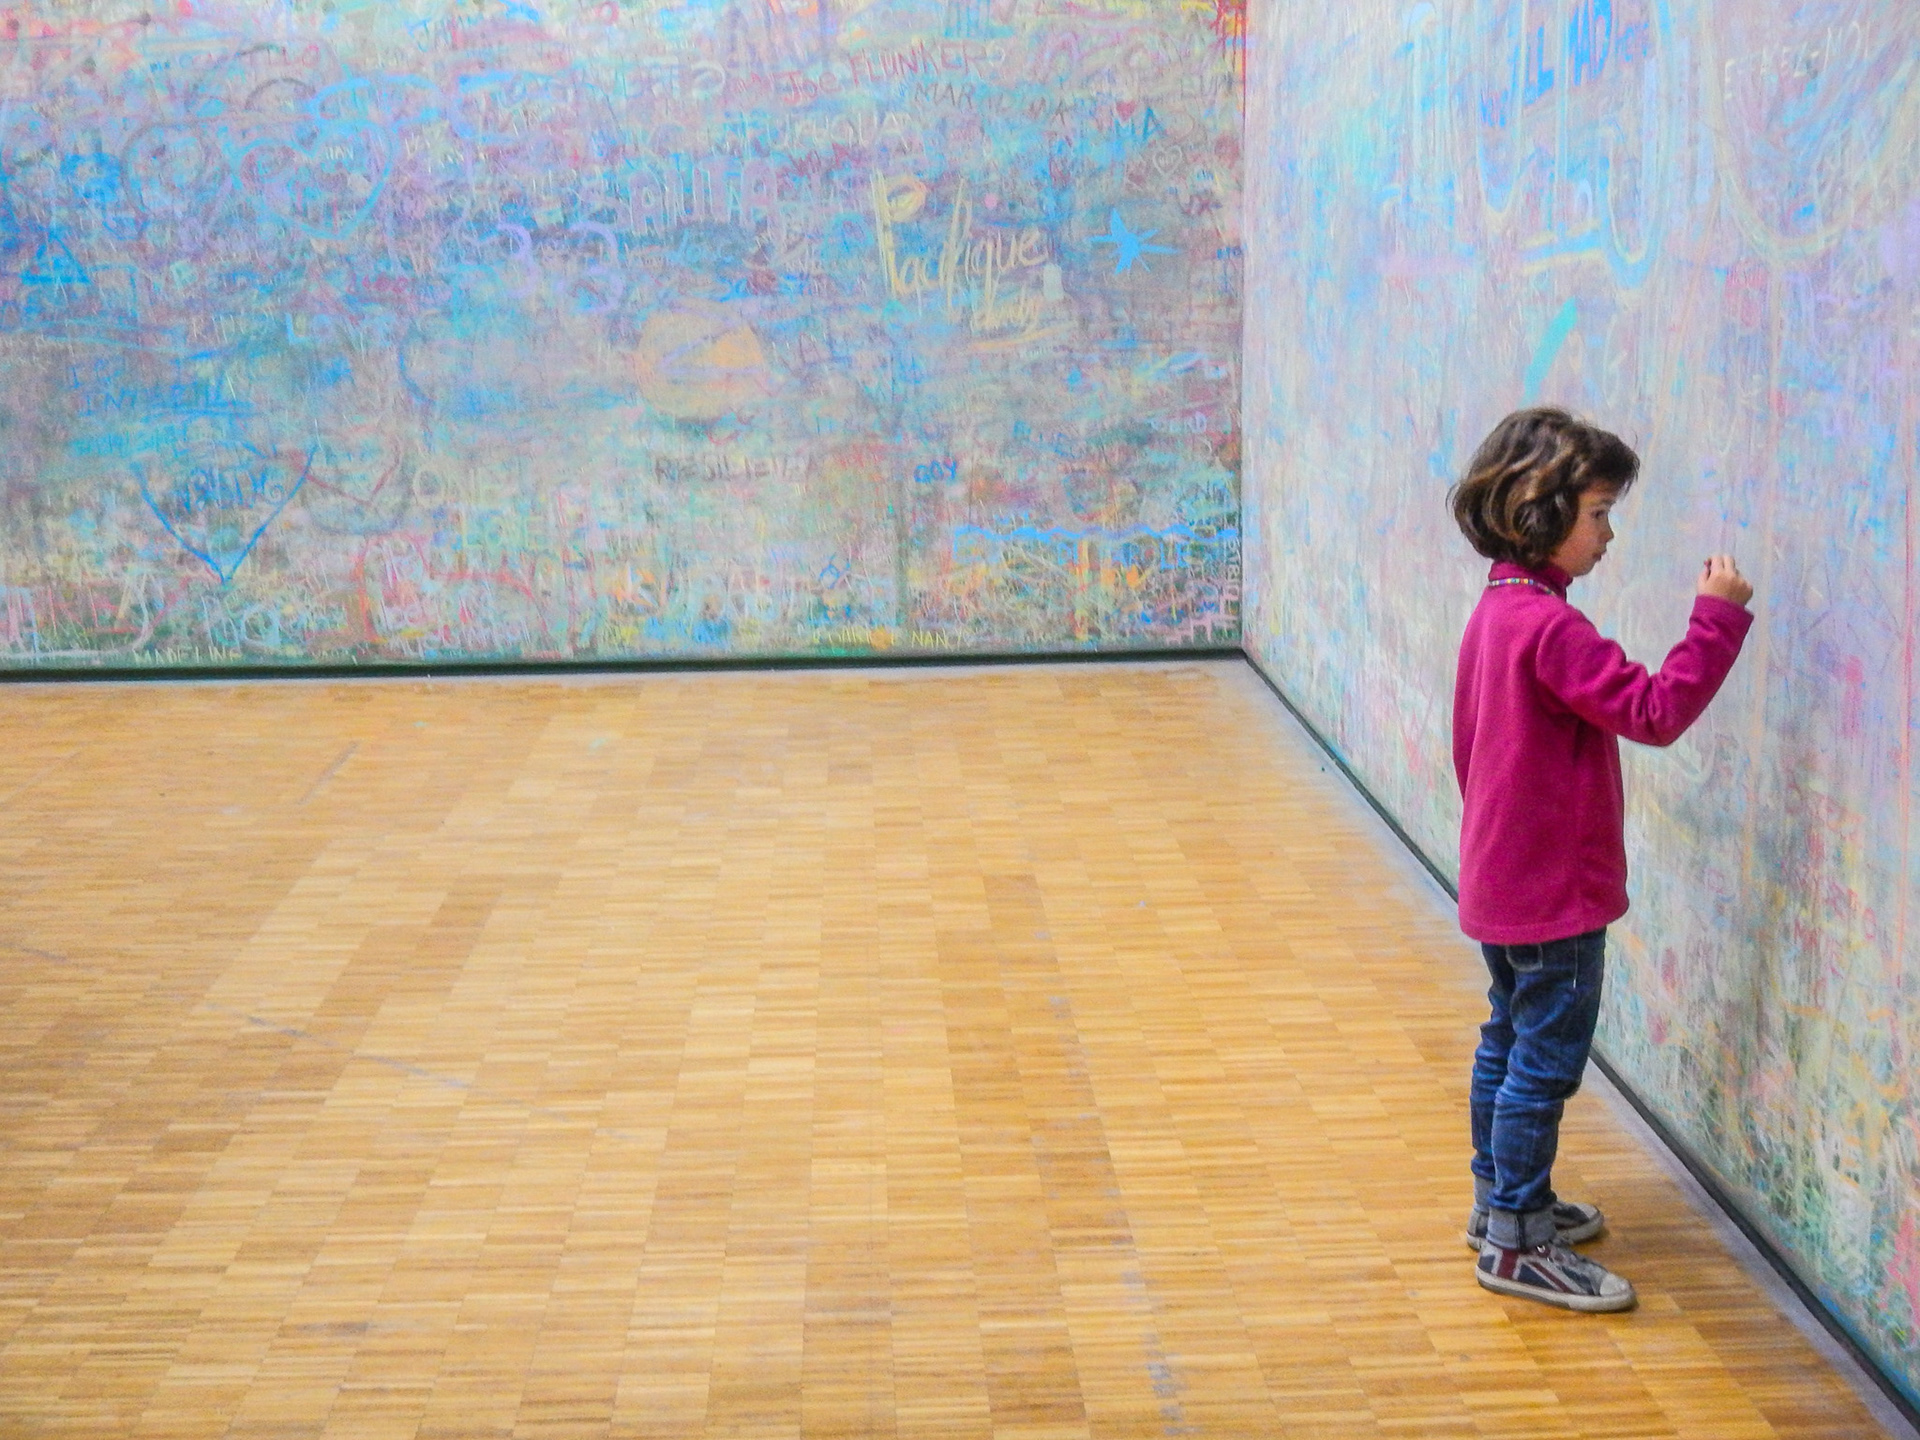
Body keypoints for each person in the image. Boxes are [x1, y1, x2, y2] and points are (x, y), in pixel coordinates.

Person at [1448, 407, 1754, 1312]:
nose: (1608, 536)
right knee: (1543, 1064)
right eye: (1598, 515)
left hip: (1504, 883)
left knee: (1508, 1041)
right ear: (1539, 512)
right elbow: (1654, 712)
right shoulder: (1551, 630)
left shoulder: (1499, 611)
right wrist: (1716, 619)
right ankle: (1517, 1242)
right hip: (1555, 898)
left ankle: (1501, 1203)